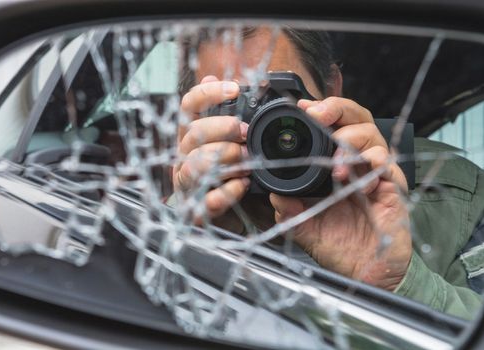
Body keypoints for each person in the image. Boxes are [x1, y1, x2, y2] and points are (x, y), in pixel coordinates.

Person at [171, 26, 484, 319]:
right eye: (236, 106)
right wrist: (193, 237)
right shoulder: (176, 218)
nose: (260, 130)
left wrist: (394, 283)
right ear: (196, 122)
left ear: (331, 87)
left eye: (278, 100)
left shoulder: (459, 199)